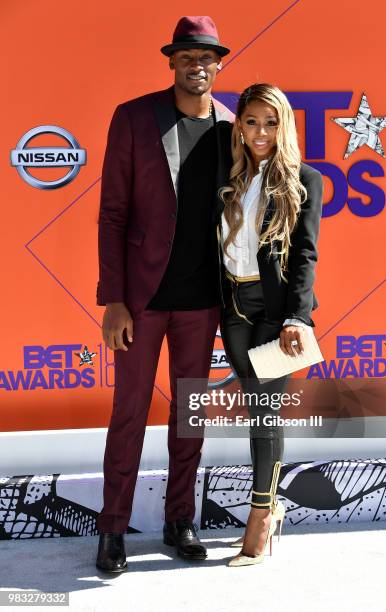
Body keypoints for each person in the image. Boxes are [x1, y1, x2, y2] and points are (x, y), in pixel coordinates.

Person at [95, 16, 234, 572]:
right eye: (186, 57)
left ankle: (180, 521)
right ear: (171, 62)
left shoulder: (231, 125)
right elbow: (112, 214)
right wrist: (114, 299)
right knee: (128, 412)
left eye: (205, 58)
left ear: (218, 64)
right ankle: (111, 530)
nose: (196, 66)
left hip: (203, 302)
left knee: (189, 418)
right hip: (142, 301)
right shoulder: (133, 119)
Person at [217, 83, 323, 566]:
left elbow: (305, 254)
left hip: (276, 313)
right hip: (233, 306)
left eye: (271, 122)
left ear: (285, 125)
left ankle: (261, 520)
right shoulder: (230, 176)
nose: (261, 132)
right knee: (254, 408)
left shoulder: (303, 179)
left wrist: (297, 317)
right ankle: (269, 505)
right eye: (252, 121)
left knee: (265, 414)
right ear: (239, 124)